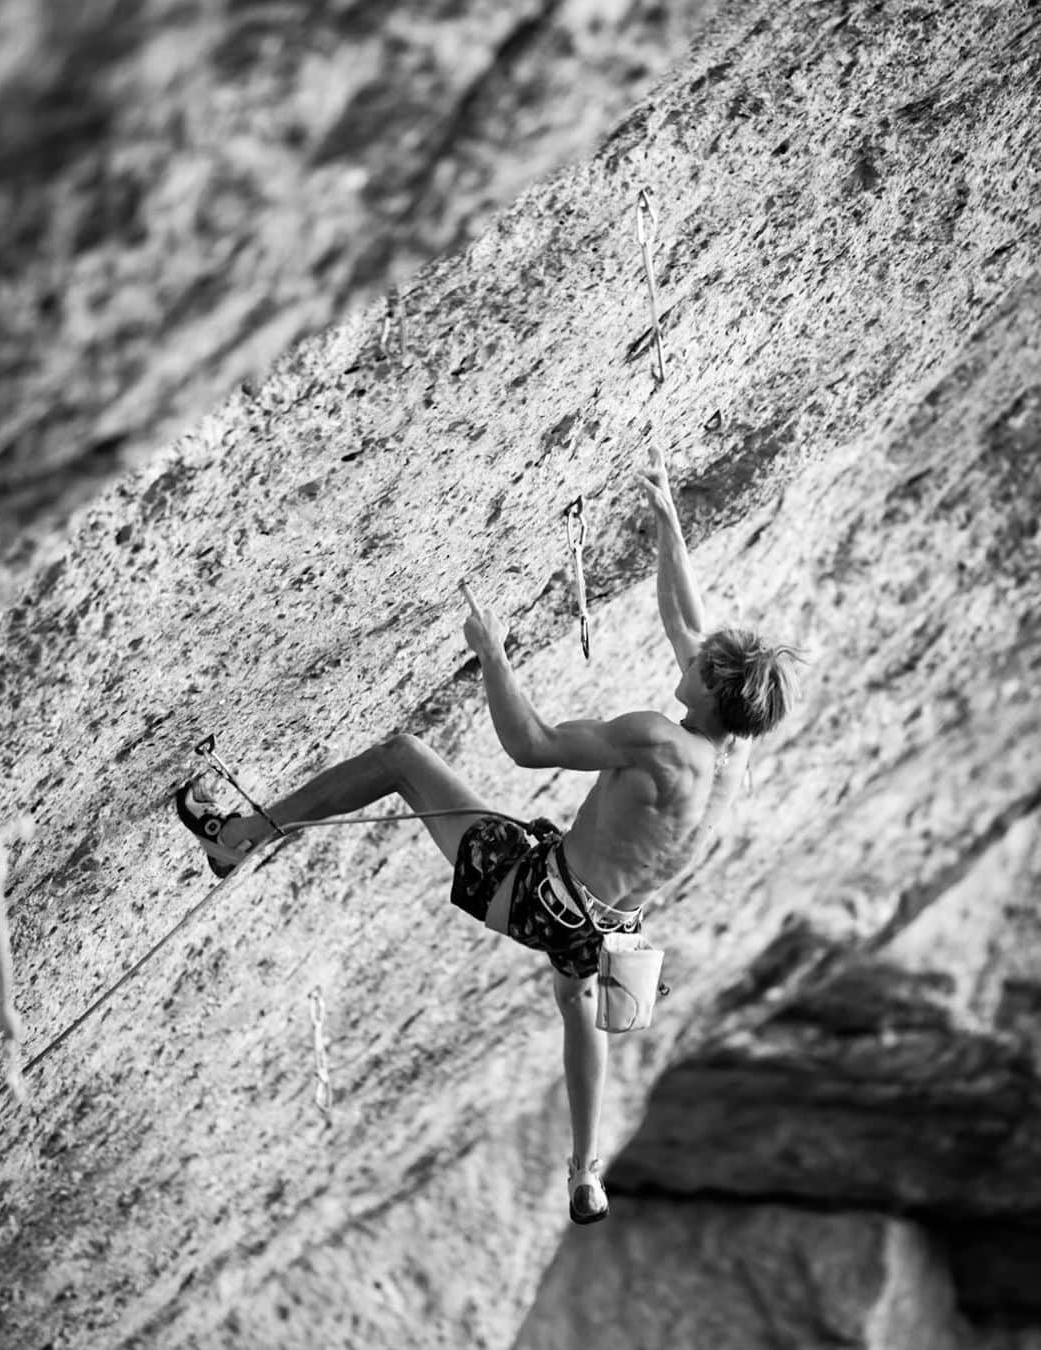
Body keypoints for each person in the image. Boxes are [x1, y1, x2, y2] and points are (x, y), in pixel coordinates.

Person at [176, 442, 802, 1224]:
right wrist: (670, 527)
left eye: (701, 662)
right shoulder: (730, 757)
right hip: (609, 934)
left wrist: (494, 657)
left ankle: (236, 836)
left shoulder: (655, 740)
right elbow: (691, 623)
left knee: (403, 757)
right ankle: (585, 1169)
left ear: (711, 689)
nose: (688, 650)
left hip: (539, 894)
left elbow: (530, 744)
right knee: (578, 1010)